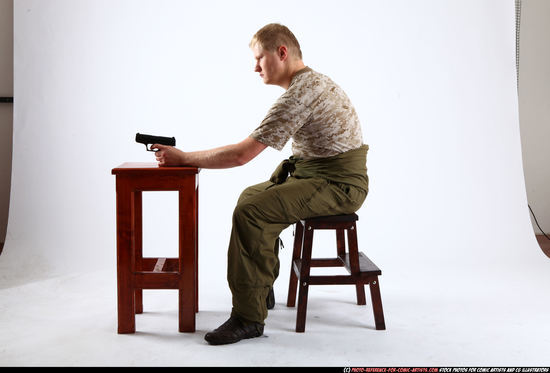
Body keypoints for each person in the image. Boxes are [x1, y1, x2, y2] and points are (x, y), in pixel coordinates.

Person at [152, 23, 369, 345]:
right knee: (251, 196)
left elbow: (241, 155)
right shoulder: (311, 83)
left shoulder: (300, 94)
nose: (255, 67)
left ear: (281, 53)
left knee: (252, 211)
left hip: (339, 185)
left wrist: (184, 158)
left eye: (259, 58)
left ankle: (248, 318)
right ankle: (260, 288)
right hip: (318, 176)